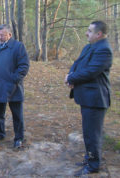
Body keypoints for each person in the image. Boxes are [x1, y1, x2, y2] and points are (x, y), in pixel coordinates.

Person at [65, 21, 113, 176]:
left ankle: (93, 165)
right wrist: (71, 77)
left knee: (93, 134)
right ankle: (89, 158)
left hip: (96, 99)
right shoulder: (89, 47)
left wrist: (72, 78)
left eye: (89, 31)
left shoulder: (104, 50)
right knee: (88, 132)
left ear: (98, 34)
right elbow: (77, 64)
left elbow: (91, 72)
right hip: (87, 98)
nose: (86, 33)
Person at [0, 24, 29, 148]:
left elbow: (24, 66)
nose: (0, 37)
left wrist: (13, 79)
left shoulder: (18, 47)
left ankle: (19, 138)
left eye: (3, 35)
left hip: (14, 87)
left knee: (17, 115)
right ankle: (0, 134)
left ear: (9, 35)